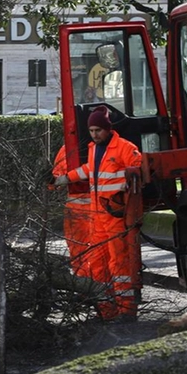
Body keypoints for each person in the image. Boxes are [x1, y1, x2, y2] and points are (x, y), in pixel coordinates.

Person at [54, 106, 145, 321]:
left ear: (107, 128)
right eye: (92, 130)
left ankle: (126, 311)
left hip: (114, 217)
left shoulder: (124, 148)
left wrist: (125, 185)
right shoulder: (94, 149)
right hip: (98, 218)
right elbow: (88, 170)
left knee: (119, 265)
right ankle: (106, 312)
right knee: (96, 266)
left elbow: (138, 170)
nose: (94, 135)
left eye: (98, 130)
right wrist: (62, 179)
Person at [50, 144, 98, 280]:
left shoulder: (69, 148)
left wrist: (52, 179)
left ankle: (86, 286)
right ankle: (100, 288)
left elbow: (54, 182)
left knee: (80, 253)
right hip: (100, 210)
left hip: (78, 211)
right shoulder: (112, 148)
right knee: (99, 252)